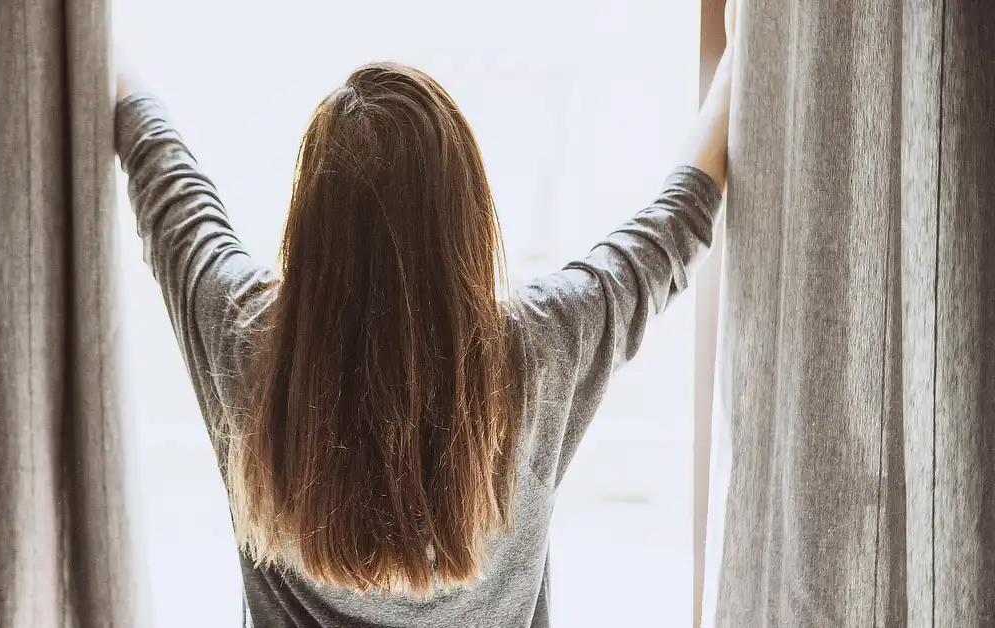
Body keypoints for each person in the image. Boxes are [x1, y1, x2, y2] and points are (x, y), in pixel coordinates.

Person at [115, 3, 735, 625]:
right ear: (466, 223)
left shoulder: (246, 340)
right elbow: (674, 228)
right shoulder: (538, 349)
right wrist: (738, 57)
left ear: (310, 229)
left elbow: (162, 170)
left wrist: (90, 34)